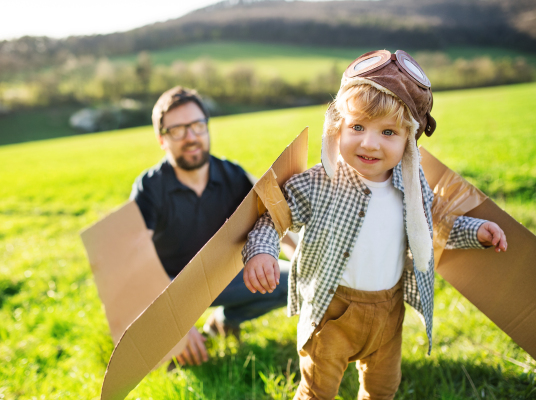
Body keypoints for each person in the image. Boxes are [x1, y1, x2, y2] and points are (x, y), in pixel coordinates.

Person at [241, 50, 508, 399]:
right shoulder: (320, 183)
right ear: (337, 125)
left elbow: (434, 223)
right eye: (357, 127)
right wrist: (261, 252)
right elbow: (273, 217)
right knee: (318, 389)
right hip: (332, 311)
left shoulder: (412, 186)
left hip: (387, 312)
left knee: (383, 388)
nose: (369, 143)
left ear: (408, 141)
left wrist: (475, 232)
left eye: (388, 132)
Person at [130, 86, 294, 367]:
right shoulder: (149, 188)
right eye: (178, 130)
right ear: (162, 139)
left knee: (292, 279)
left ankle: (224, 323)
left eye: (197, 126)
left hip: (221, 277)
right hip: (170, 288)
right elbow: (135, 263)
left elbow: (276, 219)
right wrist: (173, 323)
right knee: (177, 365)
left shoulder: (233, 174)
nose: (191, 137)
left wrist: (305, 262)